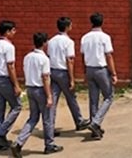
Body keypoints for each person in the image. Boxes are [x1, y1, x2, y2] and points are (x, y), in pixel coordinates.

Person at [10, 32, 62, 157]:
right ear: (45, 43)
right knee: (47, 118)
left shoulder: (28, 57)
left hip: (30, 88)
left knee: (33, 117)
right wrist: (49, 96)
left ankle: (19, 142)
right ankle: (49, 144)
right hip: (40, 90)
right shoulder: (44, 59)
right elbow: (45, 78)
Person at [47, 17, 89, 135]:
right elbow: (70, 60)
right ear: (67, 27)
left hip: (52, 70)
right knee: (71, 97)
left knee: (53, 100)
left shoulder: (51, 41)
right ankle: (79, 120)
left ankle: (50, 126)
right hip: (63, 72)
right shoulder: (69, 42)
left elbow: (48, 56)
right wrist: (72, 78)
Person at [80, 12, 117, 140]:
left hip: (89, 68)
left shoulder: (85, 37)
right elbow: (109, 56)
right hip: (101, 69)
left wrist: (84, 71)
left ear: (91, 22)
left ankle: (94, 126)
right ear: (102, 22)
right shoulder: (105, 37)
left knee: (93, 98)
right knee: (109, 96)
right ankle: (96, 122)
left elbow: (83, 56)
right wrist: (113, 73)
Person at [0, 20, 22, 151]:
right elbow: (10, 66)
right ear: (7, 32)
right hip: (4, 79)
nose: (15, 32)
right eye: (13, 30)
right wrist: (16, 84)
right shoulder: (9, 47)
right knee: (17, 106)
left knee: (0, 108)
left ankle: (0, 141)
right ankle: (0, 133)